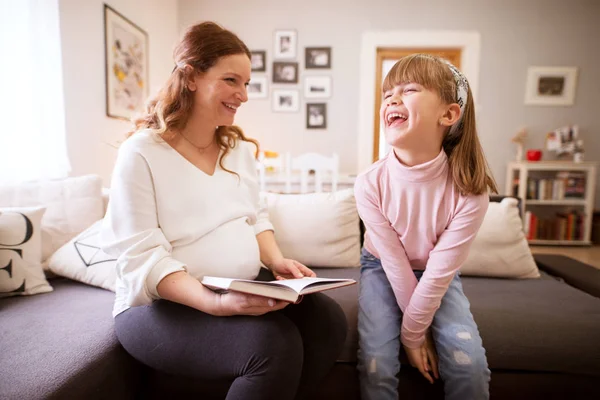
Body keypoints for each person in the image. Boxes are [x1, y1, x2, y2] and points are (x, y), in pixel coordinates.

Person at [100, 21, 347, 400]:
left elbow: (257, 217)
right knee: (272, 344)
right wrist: (213, 303)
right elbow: (142, 259)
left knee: (328, 320)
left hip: (234, 286)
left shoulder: (239, 151)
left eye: (246, 83)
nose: (243, 95)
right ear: (191, 76)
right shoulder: (142, 153)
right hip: (161, 306)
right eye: (232, 80)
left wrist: (277, 262)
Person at [354, 53, 498, 400]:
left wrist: (414, 332)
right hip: (381, 268)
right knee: (376, 362)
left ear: (448, 115)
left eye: (409, 89)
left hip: (436, 274)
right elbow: (394, 264)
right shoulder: (369, 184)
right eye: (388, 93)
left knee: (469, 364)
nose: (392, 98)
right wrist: (415, 333)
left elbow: (436, 277)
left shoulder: (470, 194)